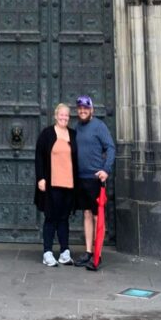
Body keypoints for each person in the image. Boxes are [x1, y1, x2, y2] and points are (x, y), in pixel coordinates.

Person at [73, 95, 115, 270]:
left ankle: (98, 254)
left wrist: (105, 170)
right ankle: (89, 251)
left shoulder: (99, 126)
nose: (83, 111)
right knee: (87, 215)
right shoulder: (76, 128)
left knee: (98, 217)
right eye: (80, 108)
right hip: (81, 178)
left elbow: (110, 147)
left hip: (94, 179)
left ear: (92, 110)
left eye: (86, 108)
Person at [34, 103, 78, 267]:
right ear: (55, 115)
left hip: (69, 184)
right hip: (51, 183)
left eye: (66, 115)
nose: (64, 118)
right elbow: (39, 156)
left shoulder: (73, 134)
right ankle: (47, 252)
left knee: (64, 218)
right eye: (61, 115)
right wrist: (41, 178)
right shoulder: (47, 134)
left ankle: (65, 252)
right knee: (51, 217)